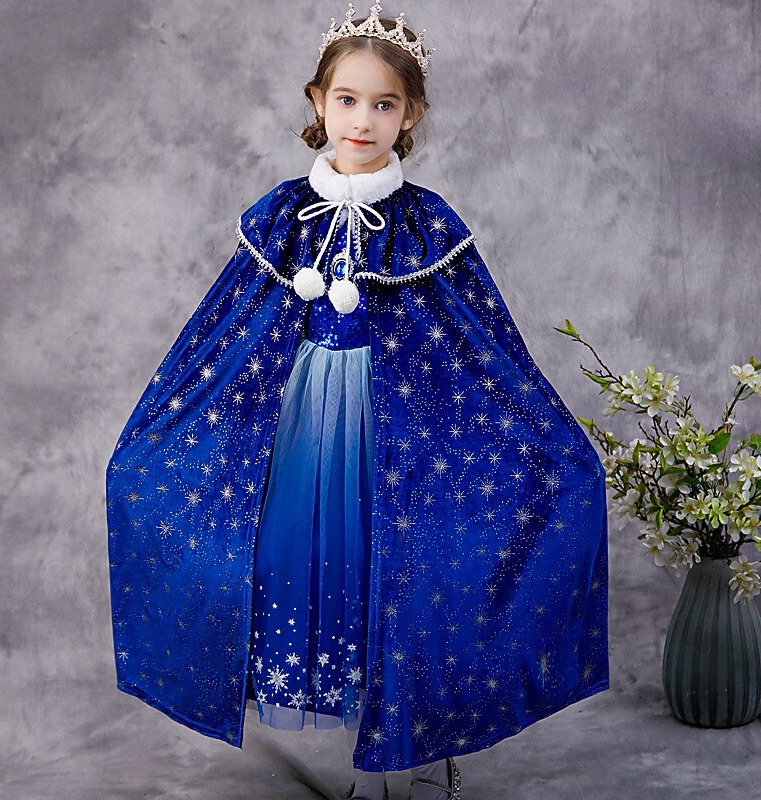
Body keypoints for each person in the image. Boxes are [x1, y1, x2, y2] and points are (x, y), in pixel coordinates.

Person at [105, 4, 610, 800]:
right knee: (319, 577)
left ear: (411, 114)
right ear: (318, 102)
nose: (363, 120)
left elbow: (481, 342)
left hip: (402, 431)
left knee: (397, 577)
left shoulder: (427, 223)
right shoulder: (285, 215)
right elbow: (227, 327)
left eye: (384, 103)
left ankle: (411, 754)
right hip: (306, 429)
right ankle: (365, 759)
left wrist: (555, 444)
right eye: (347, 100)